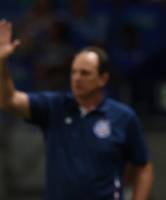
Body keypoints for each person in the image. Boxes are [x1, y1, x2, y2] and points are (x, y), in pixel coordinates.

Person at [0, 19, 153, 200]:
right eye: (73, 72)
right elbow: (8, 100)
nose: (77, 78)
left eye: (85, 73)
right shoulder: (54, 107)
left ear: (103, 79)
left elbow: (143, 167)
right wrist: (2, 63)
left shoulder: (123, 117)